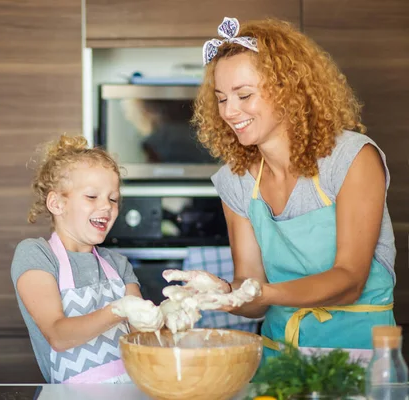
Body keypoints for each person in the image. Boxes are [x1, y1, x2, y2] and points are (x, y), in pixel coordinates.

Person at [169, 17, 396, 362]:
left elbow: (350, 278)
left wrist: (261, 292)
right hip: (279, 356)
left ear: (288, 88)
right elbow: (251, 289)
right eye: (221, 98)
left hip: (358, 356)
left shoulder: (351, 158)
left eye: (244, 95)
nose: (230, 112)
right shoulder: (237, 180)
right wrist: (225, 293)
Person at [11, 134, 162, 384]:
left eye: (113, 199)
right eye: (92, 197)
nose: (107, 207)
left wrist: (173, 312)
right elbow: (58, 335)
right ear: (57, 203)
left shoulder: (117, 264)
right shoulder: (36, 255)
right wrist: (119, 309)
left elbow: (144, 339)